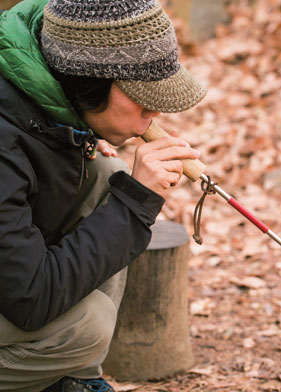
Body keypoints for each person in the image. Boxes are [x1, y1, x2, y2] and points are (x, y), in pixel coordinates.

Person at [0, 0, 206, 390]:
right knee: (86, 326)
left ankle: (75, 380)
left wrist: (75, 137)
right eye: (142, 99)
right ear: (87, 81)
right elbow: (31, 297)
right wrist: (134, 202)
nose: (154, 114)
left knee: (104, 175)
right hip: (25, 295)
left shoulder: (41, 86)